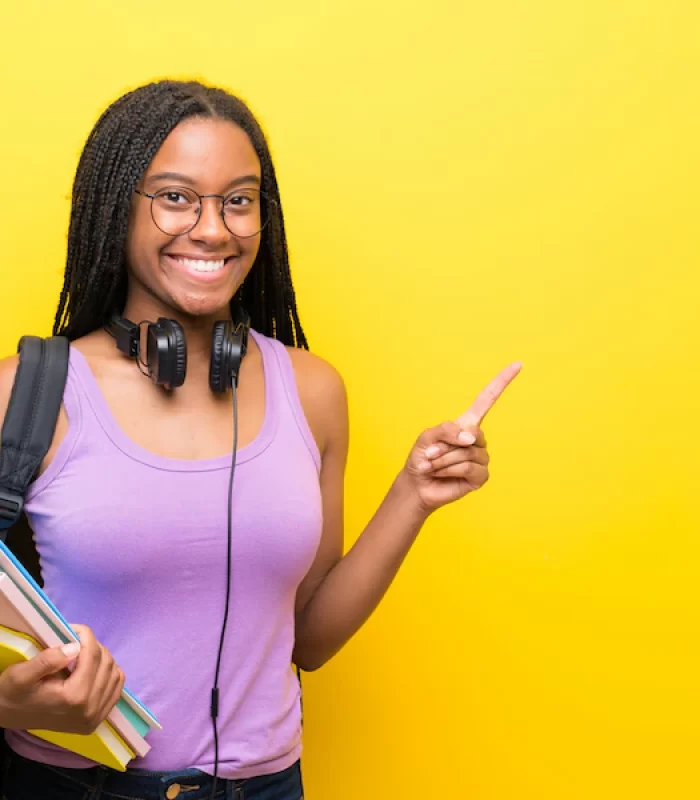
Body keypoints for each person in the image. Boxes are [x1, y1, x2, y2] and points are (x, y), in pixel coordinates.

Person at [0, 79, 520, 799]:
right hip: (74, 787)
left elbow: (309, 638)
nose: (213, 229)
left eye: (238, 201)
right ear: (115, 210)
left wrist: (413, 496)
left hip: (267, 787)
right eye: (176, 197)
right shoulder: (25, 394)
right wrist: (9, 702)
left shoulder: (313, 392)